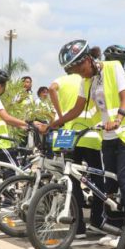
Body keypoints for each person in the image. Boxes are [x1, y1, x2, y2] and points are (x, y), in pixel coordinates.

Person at [49, 40, 125, 248]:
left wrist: (119, 120)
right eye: (73, 70)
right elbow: (76, 110)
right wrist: (52, 125)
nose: (78, 73)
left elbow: (124, 98)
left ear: (88, 60)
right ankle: (115, 228)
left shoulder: (113, 67)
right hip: (108, 137)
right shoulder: (87, 81)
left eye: (79, 67)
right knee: (110, 184)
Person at [48, 67, 104, 237]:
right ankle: (97, 220)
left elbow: (51, 88)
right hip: (91, 134)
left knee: (71, 181)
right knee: (97, 179)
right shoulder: (90, 80)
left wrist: (59, 114)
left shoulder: (62, 80)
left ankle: (78, 225)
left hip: (68, 132)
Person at [0, 69, 45, 165]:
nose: (5, 88)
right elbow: (6, 118)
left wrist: (22, 126)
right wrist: (29, 123)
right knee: (13, 170)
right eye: (4, 85)